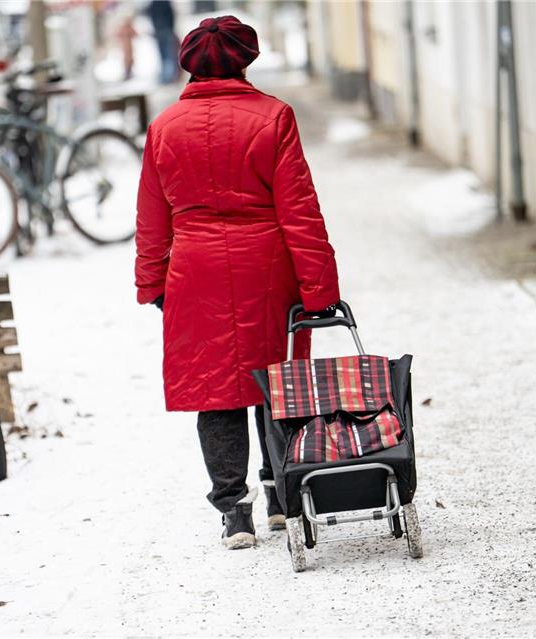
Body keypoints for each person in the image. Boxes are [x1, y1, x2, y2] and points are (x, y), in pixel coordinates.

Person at [134, 16, 339, 550]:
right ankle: (279, 495)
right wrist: (319, 288)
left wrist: (152, 282)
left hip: (194, 269)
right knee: (275, 385)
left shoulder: (164, 128)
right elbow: (299, 209)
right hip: (266, 268)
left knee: (214, 390)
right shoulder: (274, 118)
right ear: (246, 58)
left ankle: (233, 512)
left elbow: (152, 217)